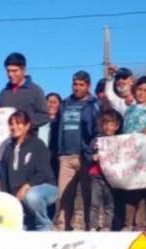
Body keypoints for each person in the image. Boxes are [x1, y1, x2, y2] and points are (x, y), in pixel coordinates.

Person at [0, 110, 57, 231]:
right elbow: (4, 177)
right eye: (11, 124)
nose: (14, 127)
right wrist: (8, 198)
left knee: (31, 196)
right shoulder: (7, 149)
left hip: (44, 188)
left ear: (27, 125)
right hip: (18, 195)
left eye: (18, 123)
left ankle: (44, 225)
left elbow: (44, 172)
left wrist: (27, 186)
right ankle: (29, 223)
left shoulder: (38, 145)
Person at [55, 71, 98, 230]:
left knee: (88, 195)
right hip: (66, 156)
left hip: (84, 156)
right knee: (64, 195)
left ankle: (89, 227)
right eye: (75, 84)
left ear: (88, 86)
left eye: (81, 85)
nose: (77, 88)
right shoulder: (65, 103)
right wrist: (59, 152)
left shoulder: (94, 104)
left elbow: (97, 130)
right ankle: (63, 227)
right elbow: (58, 128)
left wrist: (91, 150)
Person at [121, 76, 146, 231]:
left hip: (145, 155)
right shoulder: (128, 109)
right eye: (139, 89)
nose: (141, 93)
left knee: (143, 188)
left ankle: (141, 224)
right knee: (129, 188)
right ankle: (127, 223)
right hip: (128, 154)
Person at [87, 109, 121, 231]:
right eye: (105, 124)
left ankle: (107, 227)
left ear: (116, 126)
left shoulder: (119, 141)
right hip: (96, 175)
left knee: (109, 204)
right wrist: (92, 157)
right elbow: (87, 155)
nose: (108, 127)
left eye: (111, 124)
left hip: (111, 178)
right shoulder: (96, 141)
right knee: (94, 203)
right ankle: (92, 227)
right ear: (101, 125)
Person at [0, 52, 49, 128]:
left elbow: (44, 116)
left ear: (24, 70)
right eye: (8, 71)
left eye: (14, 71)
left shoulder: (35, 90)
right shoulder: (3, 93)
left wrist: (24, 124)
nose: (10, 75)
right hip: (7, 138)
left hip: (28, 138)